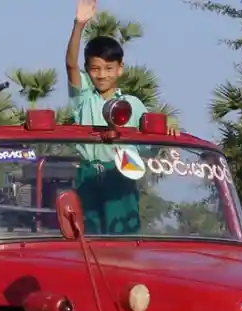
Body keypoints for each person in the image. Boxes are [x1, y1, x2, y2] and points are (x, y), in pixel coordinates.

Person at [65, 0, 177, 235]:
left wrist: (169, 128)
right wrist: (78, 25)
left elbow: (151, 138)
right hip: (87, 174)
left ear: (120, 69)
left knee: (123, 236)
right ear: (88, 69)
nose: (102, 74)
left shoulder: (132, 104)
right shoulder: (84, 97)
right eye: (95, 69)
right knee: (87, 236)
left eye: (108, 68)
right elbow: (70, 65)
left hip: (119, 173)